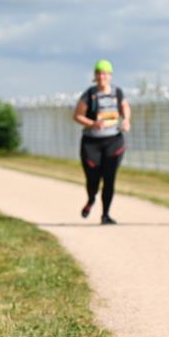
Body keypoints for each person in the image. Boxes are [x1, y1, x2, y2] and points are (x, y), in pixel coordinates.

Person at [73, 60, 131, 225]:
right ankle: (91, 198)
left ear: (110, 75)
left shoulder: (117, 92)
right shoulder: (90, 94)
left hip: (113, 141)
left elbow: (125, 107)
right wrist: (93, 123)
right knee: (93, 179)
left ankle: (105, 214)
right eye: (98, 73)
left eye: (105, 73)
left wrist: (126, 120)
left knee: (109, 178)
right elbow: (77, 115)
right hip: (92, 143)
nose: (101, 76)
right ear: (95, 76)